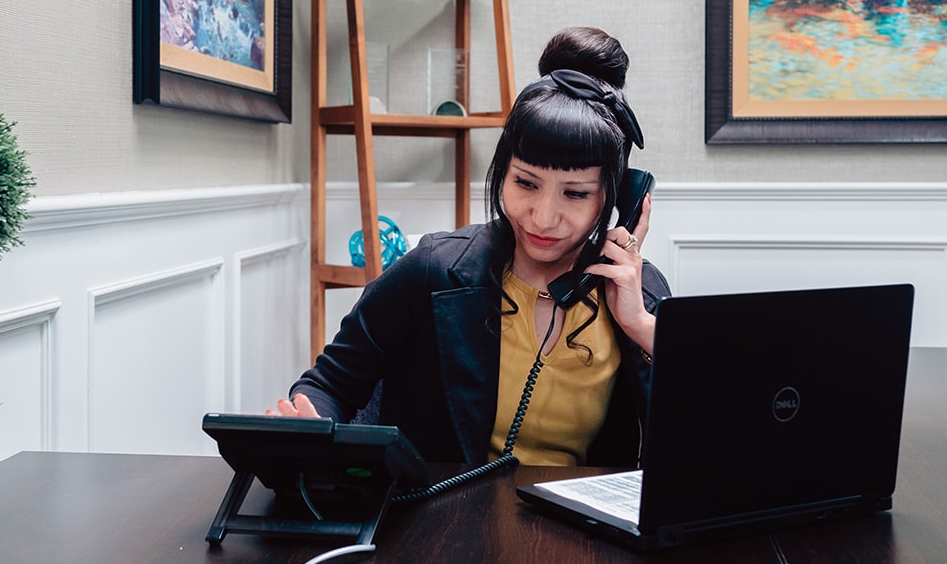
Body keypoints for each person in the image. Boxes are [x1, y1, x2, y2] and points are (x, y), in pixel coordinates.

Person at [275, 27, 670, 467]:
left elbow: (699, 445)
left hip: (579, 530)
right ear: (503, 173)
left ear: (617, 199)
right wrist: (310, 423)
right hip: (439, 519)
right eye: (525, 182)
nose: (542, 217)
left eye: (575, 194)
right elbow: (330, 384)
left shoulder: (640, 293)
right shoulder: (434, 268)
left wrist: (642, 327)